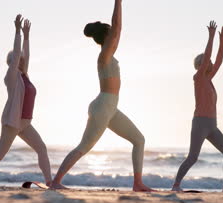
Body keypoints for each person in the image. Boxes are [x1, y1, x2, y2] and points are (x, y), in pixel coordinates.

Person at [50, 0, 153, 192]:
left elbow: (118, 30)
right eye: (113, 35)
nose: (117, 37)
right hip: (103, 106)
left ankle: (138, 183)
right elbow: (118, 27)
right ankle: (56, 182)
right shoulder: (103, 56)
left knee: (139, 140)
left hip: (110, 108)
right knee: (85, 146)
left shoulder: (110, 54)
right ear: (107, 36)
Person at [0, 14, 52, 187]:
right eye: (20, 59)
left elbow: (26, 54)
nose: (23, 60)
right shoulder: (11, 77)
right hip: (12, 122)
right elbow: (18, 53)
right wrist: (17, 32)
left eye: (23, 59)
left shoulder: (25, 76)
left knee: (41, 148)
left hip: (25, 123)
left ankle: (50, 181)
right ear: (12, 62)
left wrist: (27, 36)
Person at [172, 21, 223, 192]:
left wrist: (222, 40)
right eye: (205, 62)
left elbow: (219, 60)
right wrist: (210, 37)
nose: (209, 64)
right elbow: (209, 56)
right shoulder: (199, 78)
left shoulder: (209, 80)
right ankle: (176, 185)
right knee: (193, 158)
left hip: (212, 125)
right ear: (201, 65)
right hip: (200, 123)